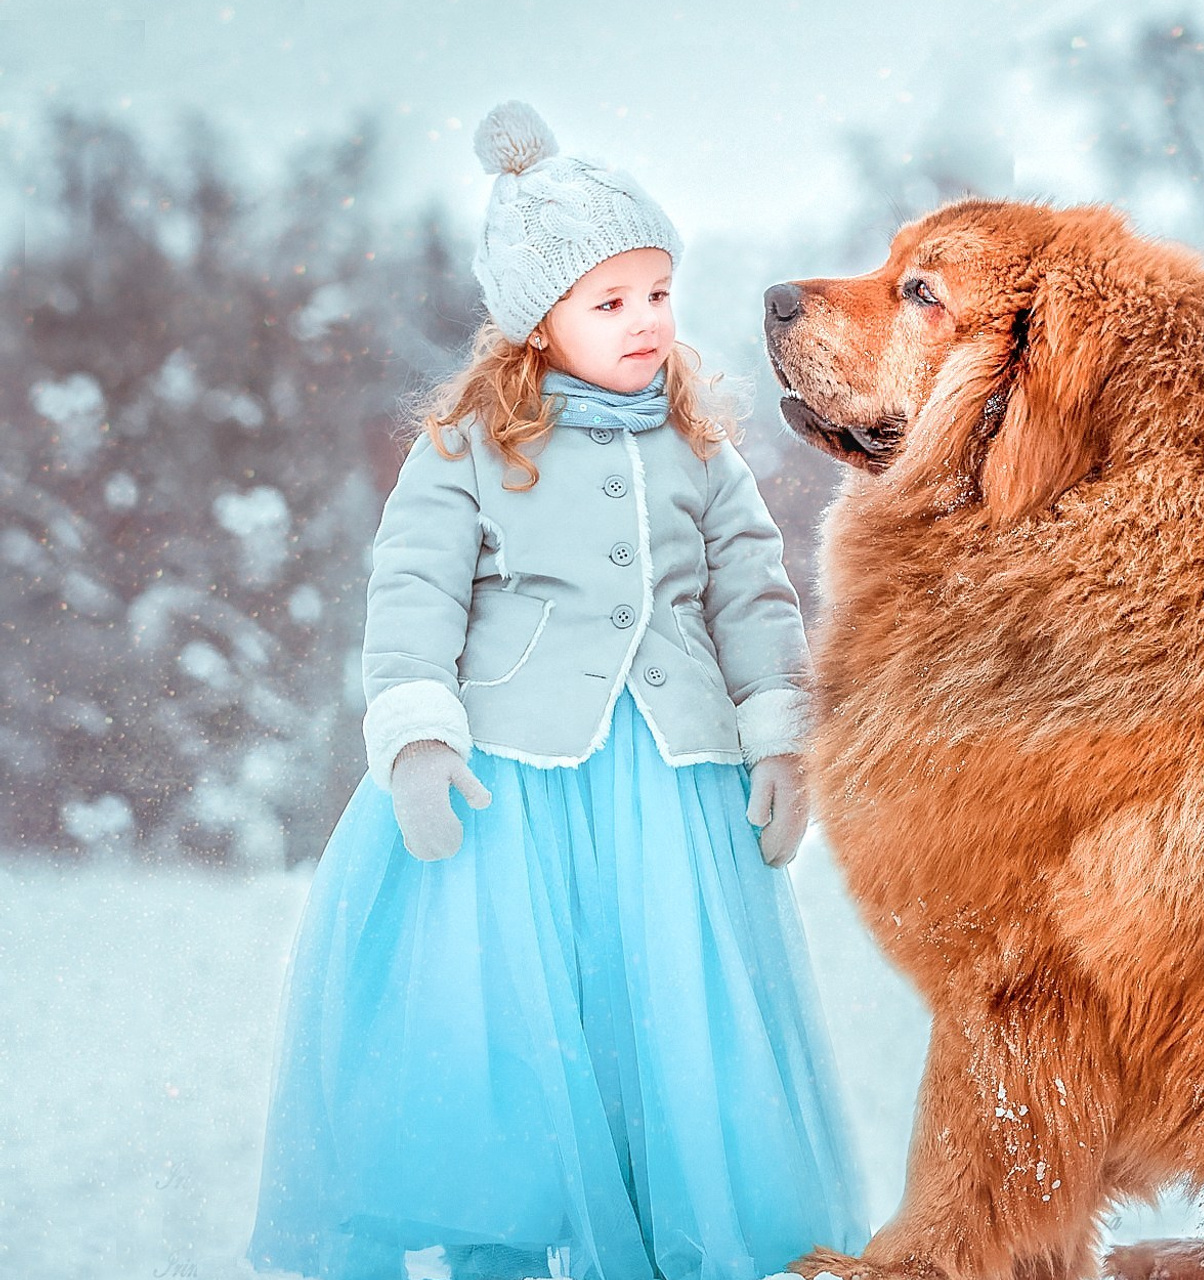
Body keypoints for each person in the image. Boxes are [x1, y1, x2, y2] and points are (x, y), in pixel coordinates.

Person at [246, 101, 867, 1280]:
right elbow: (415, 589)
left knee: (665, 1026)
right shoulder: (470, 443)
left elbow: (752, 593)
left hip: (674, 792)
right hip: (512, 791)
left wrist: (781, 737)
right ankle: (505, 1239)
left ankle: (672, 1242)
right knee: (517, 1027)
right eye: (609, 301)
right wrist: (417, 733)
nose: (645, 321)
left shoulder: (700, 447)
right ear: (539, 322)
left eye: (657, 293)